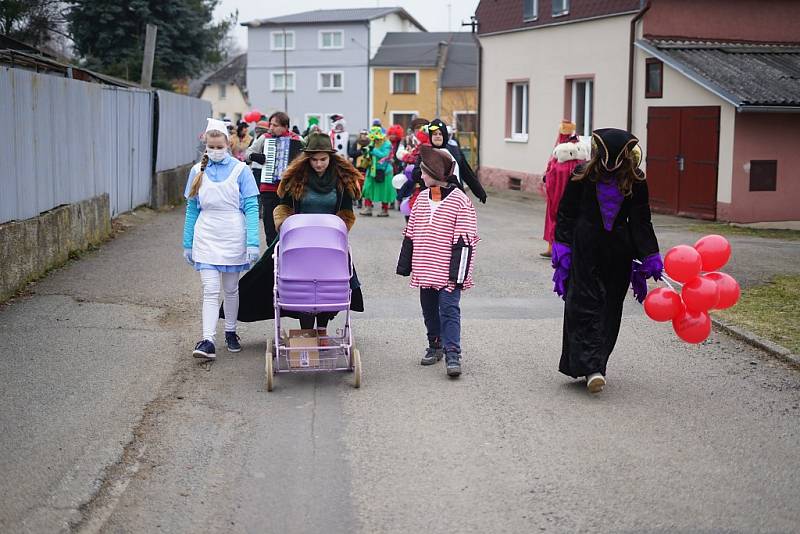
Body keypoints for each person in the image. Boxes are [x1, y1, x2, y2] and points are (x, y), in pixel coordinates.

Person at [552, 128, 662, 393]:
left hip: (618, 253)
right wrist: (563, 247)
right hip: (585, 249)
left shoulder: (636, 181)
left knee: (609, 308)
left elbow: (640, 221)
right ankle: (590, 368)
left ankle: (597, 363)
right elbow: (566, 213)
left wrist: (650, 254)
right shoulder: (581, 176)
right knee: (583, 305)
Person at [396, 145, 479, 378]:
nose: (420, 176)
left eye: (423, 172)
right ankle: (435, 345)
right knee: (429, 309)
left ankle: (453, 353)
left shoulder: (460, 202)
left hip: (448, 271)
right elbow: (411, 232)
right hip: (425, 268)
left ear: (435, 174)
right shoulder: (422, 199)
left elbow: (465, 240)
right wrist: (405, 264)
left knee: (449, 310)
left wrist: (458, 276)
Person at [183, 118, 260, 360]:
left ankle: (230, 330)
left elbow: (251, 207)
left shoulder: (241, 170)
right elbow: (191, 209)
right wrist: (187, 243)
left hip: (232, 233)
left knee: (231, 288)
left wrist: (253, 242)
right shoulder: (197, 171)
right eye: (211, 147)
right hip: (206, 234)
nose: (215, 151)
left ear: (228, 144)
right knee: (210, 289)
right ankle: (207, 340)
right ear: (205, 145)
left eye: (219, 146)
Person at [272, 132, 364, 332]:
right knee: (301, 288)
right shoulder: (295, 179)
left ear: (330, 158)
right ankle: (306, 333)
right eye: (314, 160)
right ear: (307, 159)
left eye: (323, 159)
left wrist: (341, 228)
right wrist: (284, 225)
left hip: (330, 242)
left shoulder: (341, 180)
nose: (319, 164)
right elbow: (284, 207)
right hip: (300, 241)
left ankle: (322, 330)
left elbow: (346, 211)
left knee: (331, 285)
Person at [245, 111, 303, 244]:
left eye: (275, 125)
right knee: (270, 225)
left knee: (289, 223)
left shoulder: (297, 140)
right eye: (270, 124)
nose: (270, 128)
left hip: (289, 191)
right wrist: (255, 157)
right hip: (269, 189)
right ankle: (271, 254)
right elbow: (248, 153)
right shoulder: (264, 138)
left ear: (285, 126)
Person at [542, 120, 582, 257]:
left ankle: (556, 247)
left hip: (561, 190)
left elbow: (554, 169)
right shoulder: (571, 149)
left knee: (558, 215)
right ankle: (553, 246)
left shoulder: (569, 150)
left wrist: (549, 177)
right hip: (562, 188)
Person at [424, 119, 487, 204]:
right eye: (434, 134)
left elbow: (467, 173)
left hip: (456, 196)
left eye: (440, 134)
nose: (438, 136)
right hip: (433, 198)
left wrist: (479, 192)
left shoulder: (454, 151)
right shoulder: (425, 153)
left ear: (445, 135)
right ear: (430, 136)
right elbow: (416, 174)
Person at [359, 126, 395, 217]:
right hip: (371, 170)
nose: (375, 140)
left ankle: (385, 210)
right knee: (368, 188)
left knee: (384, 191)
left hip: (385, 171)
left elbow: (384, 155)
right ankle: (368, 208)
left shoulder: (387, 144)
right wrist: (365, 152)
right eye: (373, 138)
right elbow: (368, 153)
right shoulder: (372, 142)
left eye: (376, 138)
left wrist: (373, 150)